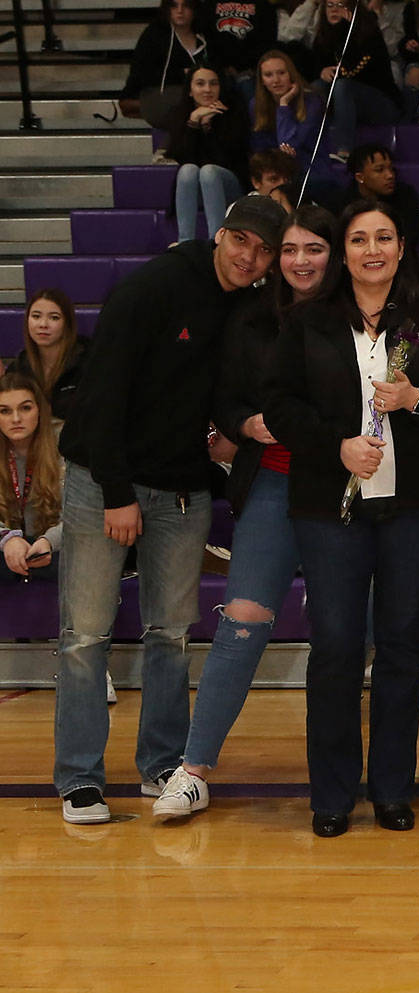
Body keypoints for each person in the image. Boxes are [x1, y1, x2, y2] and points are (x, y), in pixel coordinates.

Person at [52, 194, 282, 825]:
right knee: (84, 635)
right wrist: (119, 493)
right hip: (105, 479)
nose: (249, 258)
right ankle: (79, 780)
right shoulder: (152, 287)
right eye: (241, 242)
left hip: (184, 488)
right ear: (219, 235)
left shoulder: (248, 305)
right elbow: (100, 397)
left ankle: (160, 765)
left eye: (263, 251)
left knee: (171, 633)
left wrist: (228, 433)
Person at [264, 199, 419, 837]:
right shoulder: (308, 323)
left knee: (401, 647)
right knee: (334, 645)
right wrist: (336, 445)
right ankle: (331, 795)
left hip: (415, 505)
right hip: (330, 508)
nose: (372, 250)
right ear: (343, 252)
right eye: (358, 239)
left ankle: (391, 788)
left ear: (401, 246)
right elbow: (279, 405)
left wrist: (416, 400)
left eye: (383, 237)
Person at [148, 206, 335, 821]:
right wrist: (241, 423)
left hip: (347, 490)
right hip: (275, 485)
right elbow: (224, 397)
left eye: (314, 248)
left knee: (347, 634)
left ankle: (345, 778)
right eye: (289, 250)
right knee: (243, 619)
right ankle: (194, 769)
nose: (300, 260)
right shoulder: (250, 319)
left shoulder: (360, 314)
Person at [312, 0, 403, 164]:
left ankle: (345, 151)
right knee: (316, 87)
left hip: (381, 103)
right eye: (330, 5)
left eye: (340, 5)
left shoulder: (369, 35)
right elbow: (313, 65)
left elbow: (355, 71)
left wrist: (348, 29)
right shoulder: (324, 36)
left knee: (342, 86)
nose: (334, 10)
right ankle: (310, 150)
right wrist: (322, 70)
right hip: (348, 105)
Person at [169, 68, 253, 244]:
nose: (207, 89)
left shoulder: (234, 112)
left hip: (230, 185)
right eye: (200, 84)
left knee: (208, 171)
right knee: (187, 170)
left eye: (213, 83)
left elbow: (227, 159)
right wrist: (194, 122)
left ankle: (215, 240)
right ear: (190, 90)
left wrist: (208, 126)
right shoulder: (182, 114)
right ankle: (185, 242)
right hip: (194, 188)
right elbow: (183, 156)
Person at [0, 371, 63, 582]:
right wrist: (7, 540)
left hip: (57, 546)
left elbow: (82, 514)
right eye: (5, 411)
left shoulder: (65, 444)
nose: (16, 419)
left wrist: (49, 541)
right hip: (6, 546)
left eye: (25, 408)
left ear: (39, 410)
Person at [248, 51, 327, 192]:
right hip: (275, 171)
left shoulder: (312, 101)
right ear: (262, 81)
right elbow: (259, 149)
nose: (276, 80)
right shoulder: (256, 105)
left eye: (281, 73)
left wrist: (283, 104)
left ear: (291, 74)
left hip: (310, 169)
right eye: (268, 75)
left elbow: (289, 144)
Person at [121, 0, 210, 123]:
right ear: (167, 9)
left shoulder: (205, 36)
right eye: (174, 6)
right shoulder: (154, 35)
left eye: (186, 6)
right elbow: (142, 74)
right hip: (158, 94)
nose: (180, 11)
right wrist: (183, 74)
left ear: (194, 10)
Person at [9, 289, 89, 423]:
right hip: (34, 441)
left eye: (54, 318)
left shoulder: (88, 362)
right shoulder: (18, 368)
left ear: (67, 324)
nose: (43, 324)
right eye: (36, 316)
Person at [322, 144, 419, 249]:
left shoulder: (405, 195)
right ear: (360, 177)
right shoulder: (340, 202)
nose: (390, 175)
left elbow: (409, 238)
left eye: (391, 169)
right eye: (379, 170)